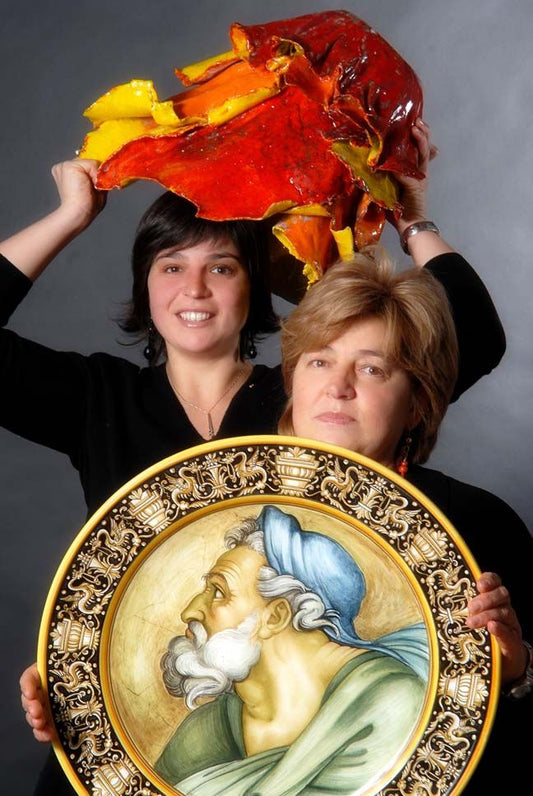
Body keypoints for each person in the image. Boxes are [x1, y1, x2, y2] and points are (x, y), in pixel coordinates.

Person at [7, 120, 503, 792]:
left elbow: (470, 335)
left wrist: (410, 218)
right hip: (125, 739)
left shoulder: (310, 397)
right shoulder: (98, 397)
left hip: (287, 751)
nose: (195, 288)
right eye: (171, 266)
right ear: (145, 284)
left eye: (221, 267)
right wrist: (69, 216)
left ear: (255, 287)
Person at [278, 252, 533, 793]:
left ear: (417, 403)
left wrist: (514, 670)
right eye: (319, 361)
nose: (338, 386)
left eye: (372, 369)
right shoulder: (208, 501)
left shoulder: (480, 524)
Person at [156, 506, 428, 795]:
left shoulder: (389, 705)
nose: (189, 612)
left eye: (219, 592)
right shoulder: (207, 730)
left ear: (275, 617)